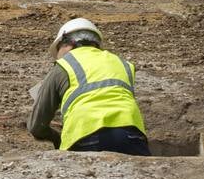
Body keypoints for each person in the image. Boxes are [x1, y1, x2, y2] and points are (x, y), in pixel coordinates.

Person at [27, 17, 150, 155]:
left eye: (58, 50)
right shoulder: (123, 64)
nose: (57, 57)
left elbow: (36, 126)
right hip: (133, 135)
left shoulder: (64, 65)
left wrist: (57, 138)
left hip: (86, 137)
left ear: (68, 43)